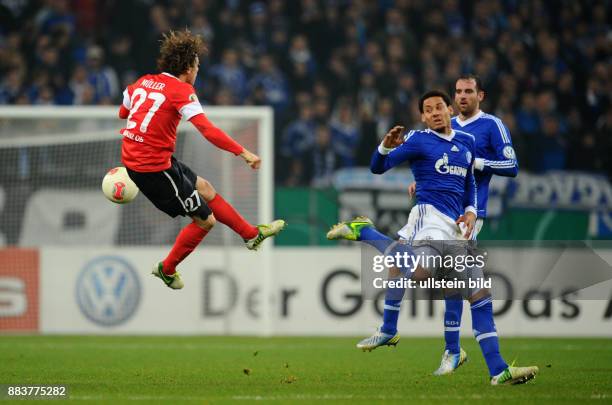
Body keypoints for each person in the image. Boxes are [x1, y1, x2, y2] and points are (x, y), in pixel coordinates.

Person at [327, 90, 537, 385]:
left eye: (440, 107)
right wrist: (385, 148)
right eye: (428, 110)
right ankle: (366, 231)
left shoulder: (467, 141)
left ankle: (497, 369)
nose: (435, 112)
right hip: (428, 223)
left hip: (456, 230)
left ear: (449, 110)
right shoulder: (418, 139)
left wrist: (472, 212)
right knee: (420, 272)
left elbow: (469, 186)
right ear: (423, 117)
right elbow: (378, 167)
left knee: (479, 296)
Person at [118, 30, 285, 290]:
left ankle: (252, 235)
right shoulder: (181, 90)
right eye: (197, 66)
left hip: (149, 158)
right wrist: (243, 152)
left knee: (205, 188)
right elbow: (207, 130)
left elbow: (123, 111)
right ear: (187, 68)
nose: (198, 72)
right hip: (153, 169)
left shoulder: (142, 82)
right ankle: (167, 269)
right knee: (205, 220)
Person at [406, 75, 518, 375]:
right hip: (443, 212)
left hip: (470, 213)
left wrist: (477, 163)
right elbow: (436, 162)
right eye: (458, 92)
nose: (462, 96)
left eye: (469, 91)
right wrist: (421, 183)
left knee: (457, 281)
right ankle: (463, 354)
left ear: (480, 95)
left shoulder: (491, 125)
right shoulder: (445, 126)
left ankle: (454, 351)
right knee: (458, 282)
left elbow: (512, 165)